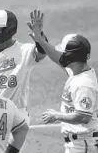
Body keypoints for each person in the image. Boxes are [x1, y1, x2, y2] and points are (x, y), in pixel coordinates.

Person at [27, 9, 98, 153]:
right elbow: (56, 57)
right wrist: (40, 40)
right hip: (78, 143)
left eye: (64, 53)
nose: (62, 55)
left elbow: (83, 117)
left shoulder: (84, 84)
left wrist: (56, 115)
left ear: (71, 57)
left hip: (83, 145)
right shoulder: (77, 70)